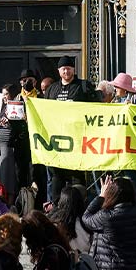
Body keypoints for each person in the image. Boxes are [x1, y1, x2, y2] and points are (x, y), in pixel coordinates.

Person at [44, 57, 95, 201]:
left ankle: (79, 208)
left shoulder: (84, 86)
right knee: (57, 176)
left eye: (69, 68)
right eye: (63, 68)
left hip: (78, 140)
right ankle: (56, 208)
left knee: (76, 175)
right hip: (56, 141)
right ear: (59, 71)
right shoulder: (51, 89)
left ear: (74, 69)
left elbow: (96, 107)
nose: (66, 71)